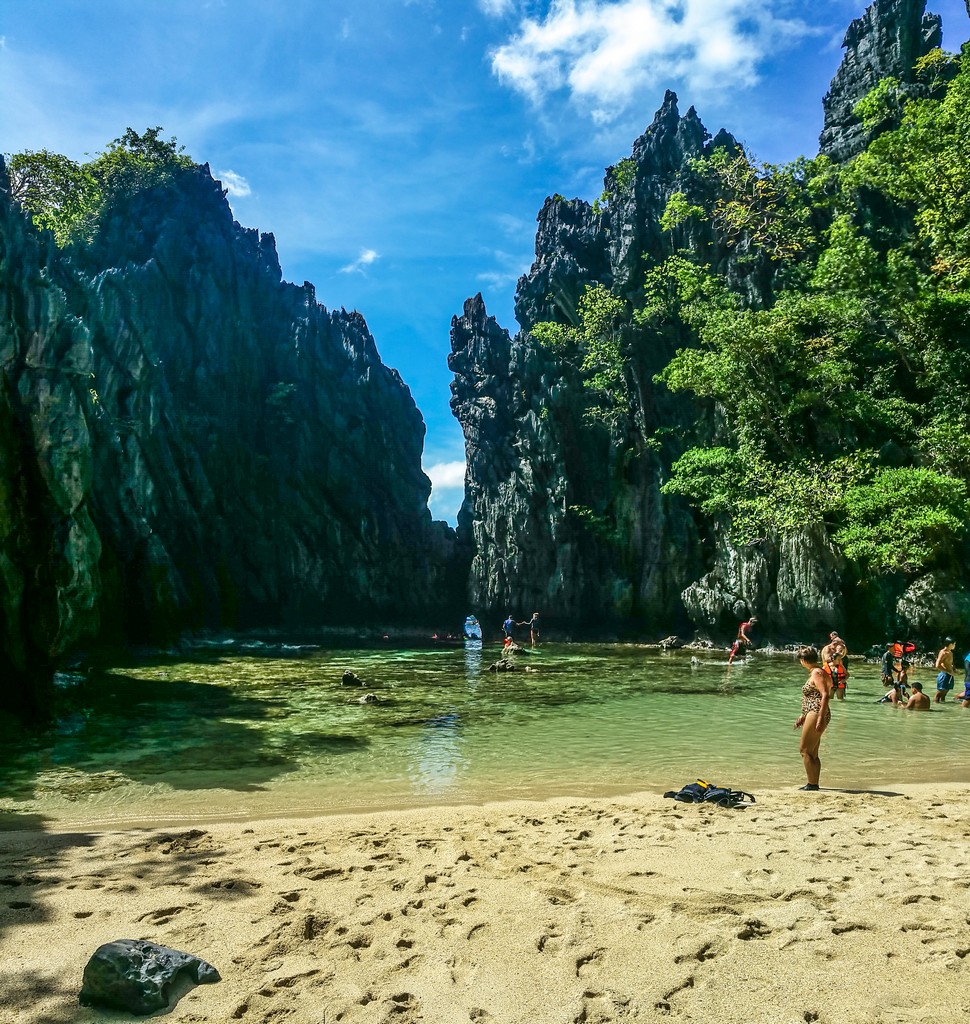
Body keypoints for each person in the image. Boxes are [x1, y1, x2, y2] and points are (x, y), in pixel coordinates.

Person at [793, 646, 831, 791]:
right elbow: (813, 697)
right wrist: (803, 716)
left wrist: (820, 718)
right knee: (813, 753)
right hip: (814, 712)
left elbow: (825, 695)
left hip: (816, 712)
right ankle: (814, 783)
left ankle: (812, 784)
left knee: (804, 750)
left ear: (803, 660)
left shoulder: (816, 673)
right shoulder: (818, 672)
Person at [820, 630, 848, 700]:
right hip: (829, 670)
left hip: (837, 669)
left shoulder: (838, 649)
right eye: (840, 644)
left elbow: (844, 654)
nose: (841, 646)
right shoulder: (828, 649)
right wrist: (837, 654)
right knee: (829, 697)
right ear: (835, 644)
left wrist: (843, 648)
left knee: (840, 696)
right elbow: (827, 659)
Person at [935, 638, 957, 703]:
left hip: (949, 675)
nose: (955, 645)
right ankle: (936, 708)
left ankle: (943, 709)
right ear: (950, 644)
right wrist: (947, 672)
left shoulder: (950, 653)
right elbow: (937, 665)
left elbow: (950, 663)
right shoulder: (943, 653)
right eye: (954, 644)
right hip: (944, 675)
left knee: (944, 694)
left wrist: (954, 669)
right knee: (938, 695)